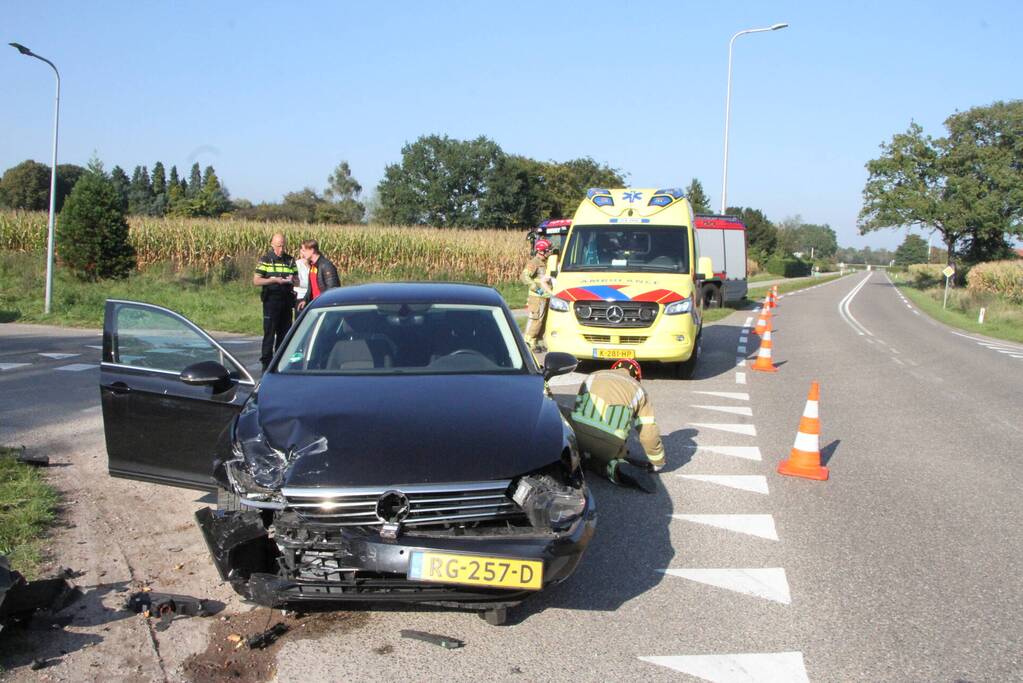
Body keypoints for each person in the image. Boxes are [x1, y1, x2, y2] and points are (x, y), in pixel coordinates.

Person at [568, 359, 664, 493]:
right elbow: (648, 433)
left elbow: (577, 408)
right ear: (637, 376)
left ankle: (574, 456)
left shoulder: (593, 376)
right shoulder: (639, 390)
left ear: (614, 368)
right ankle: (615, 467)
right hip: (610, 445)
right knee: (600, 461)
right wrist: (657, 462)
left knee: (558, 410)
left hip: (577, 437)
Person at [253, 233, 298, 371]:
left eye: (283, 245)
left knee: (284, 333)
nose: (281, 249)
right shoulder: (265, 259)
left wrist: (292, 279)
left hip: (286, 300)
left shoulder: (290, 260)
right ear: (272, 244)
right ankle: (266, 363)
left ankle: (280, 361)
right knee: (269, 333)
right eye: (278, 246)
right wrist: (273, 280)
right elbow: (256, 280)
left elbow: (297, 280)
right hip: (271, 300)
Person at [520, 239, 554, 352]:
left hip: (545, 296)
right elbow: (524, 277)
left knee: (543, 321)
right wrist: (536, 288)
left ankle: (538, 342)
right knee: (536, 319)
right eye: (548, 250)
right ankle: (529, 342)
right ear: (542, 251)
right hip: (537, 297)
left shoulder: (545, 263)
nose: (550, 252)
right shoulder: (534, 262)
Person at [297, 239, 340, 311]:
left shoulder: (326, 265)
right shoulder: (313, 266)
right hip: (315, 304)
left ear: (312, 250)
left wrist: (327, 305)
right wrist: (305, 300)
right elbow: (310, 287)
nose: (302, 253)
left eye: (304, 250)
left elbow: (333, 289)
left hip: (325, 305)